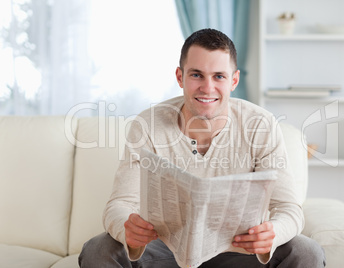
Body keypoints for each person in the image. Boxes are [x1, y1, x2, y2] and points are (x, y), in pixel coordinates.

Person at [79, 28, 325, 268]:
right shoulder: (147, 125)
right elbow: (119, 204)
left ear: (234, 80)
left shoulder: (261, 125)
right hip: (166, 250)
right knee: (98, 249)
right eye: (196, 75)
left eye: (219, 76)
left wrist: (272, 233)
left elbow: (289, 208)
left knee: (305, 251)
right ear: (180, 77)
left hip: (239, 249)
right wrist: (128, 228)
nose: (207, 88)